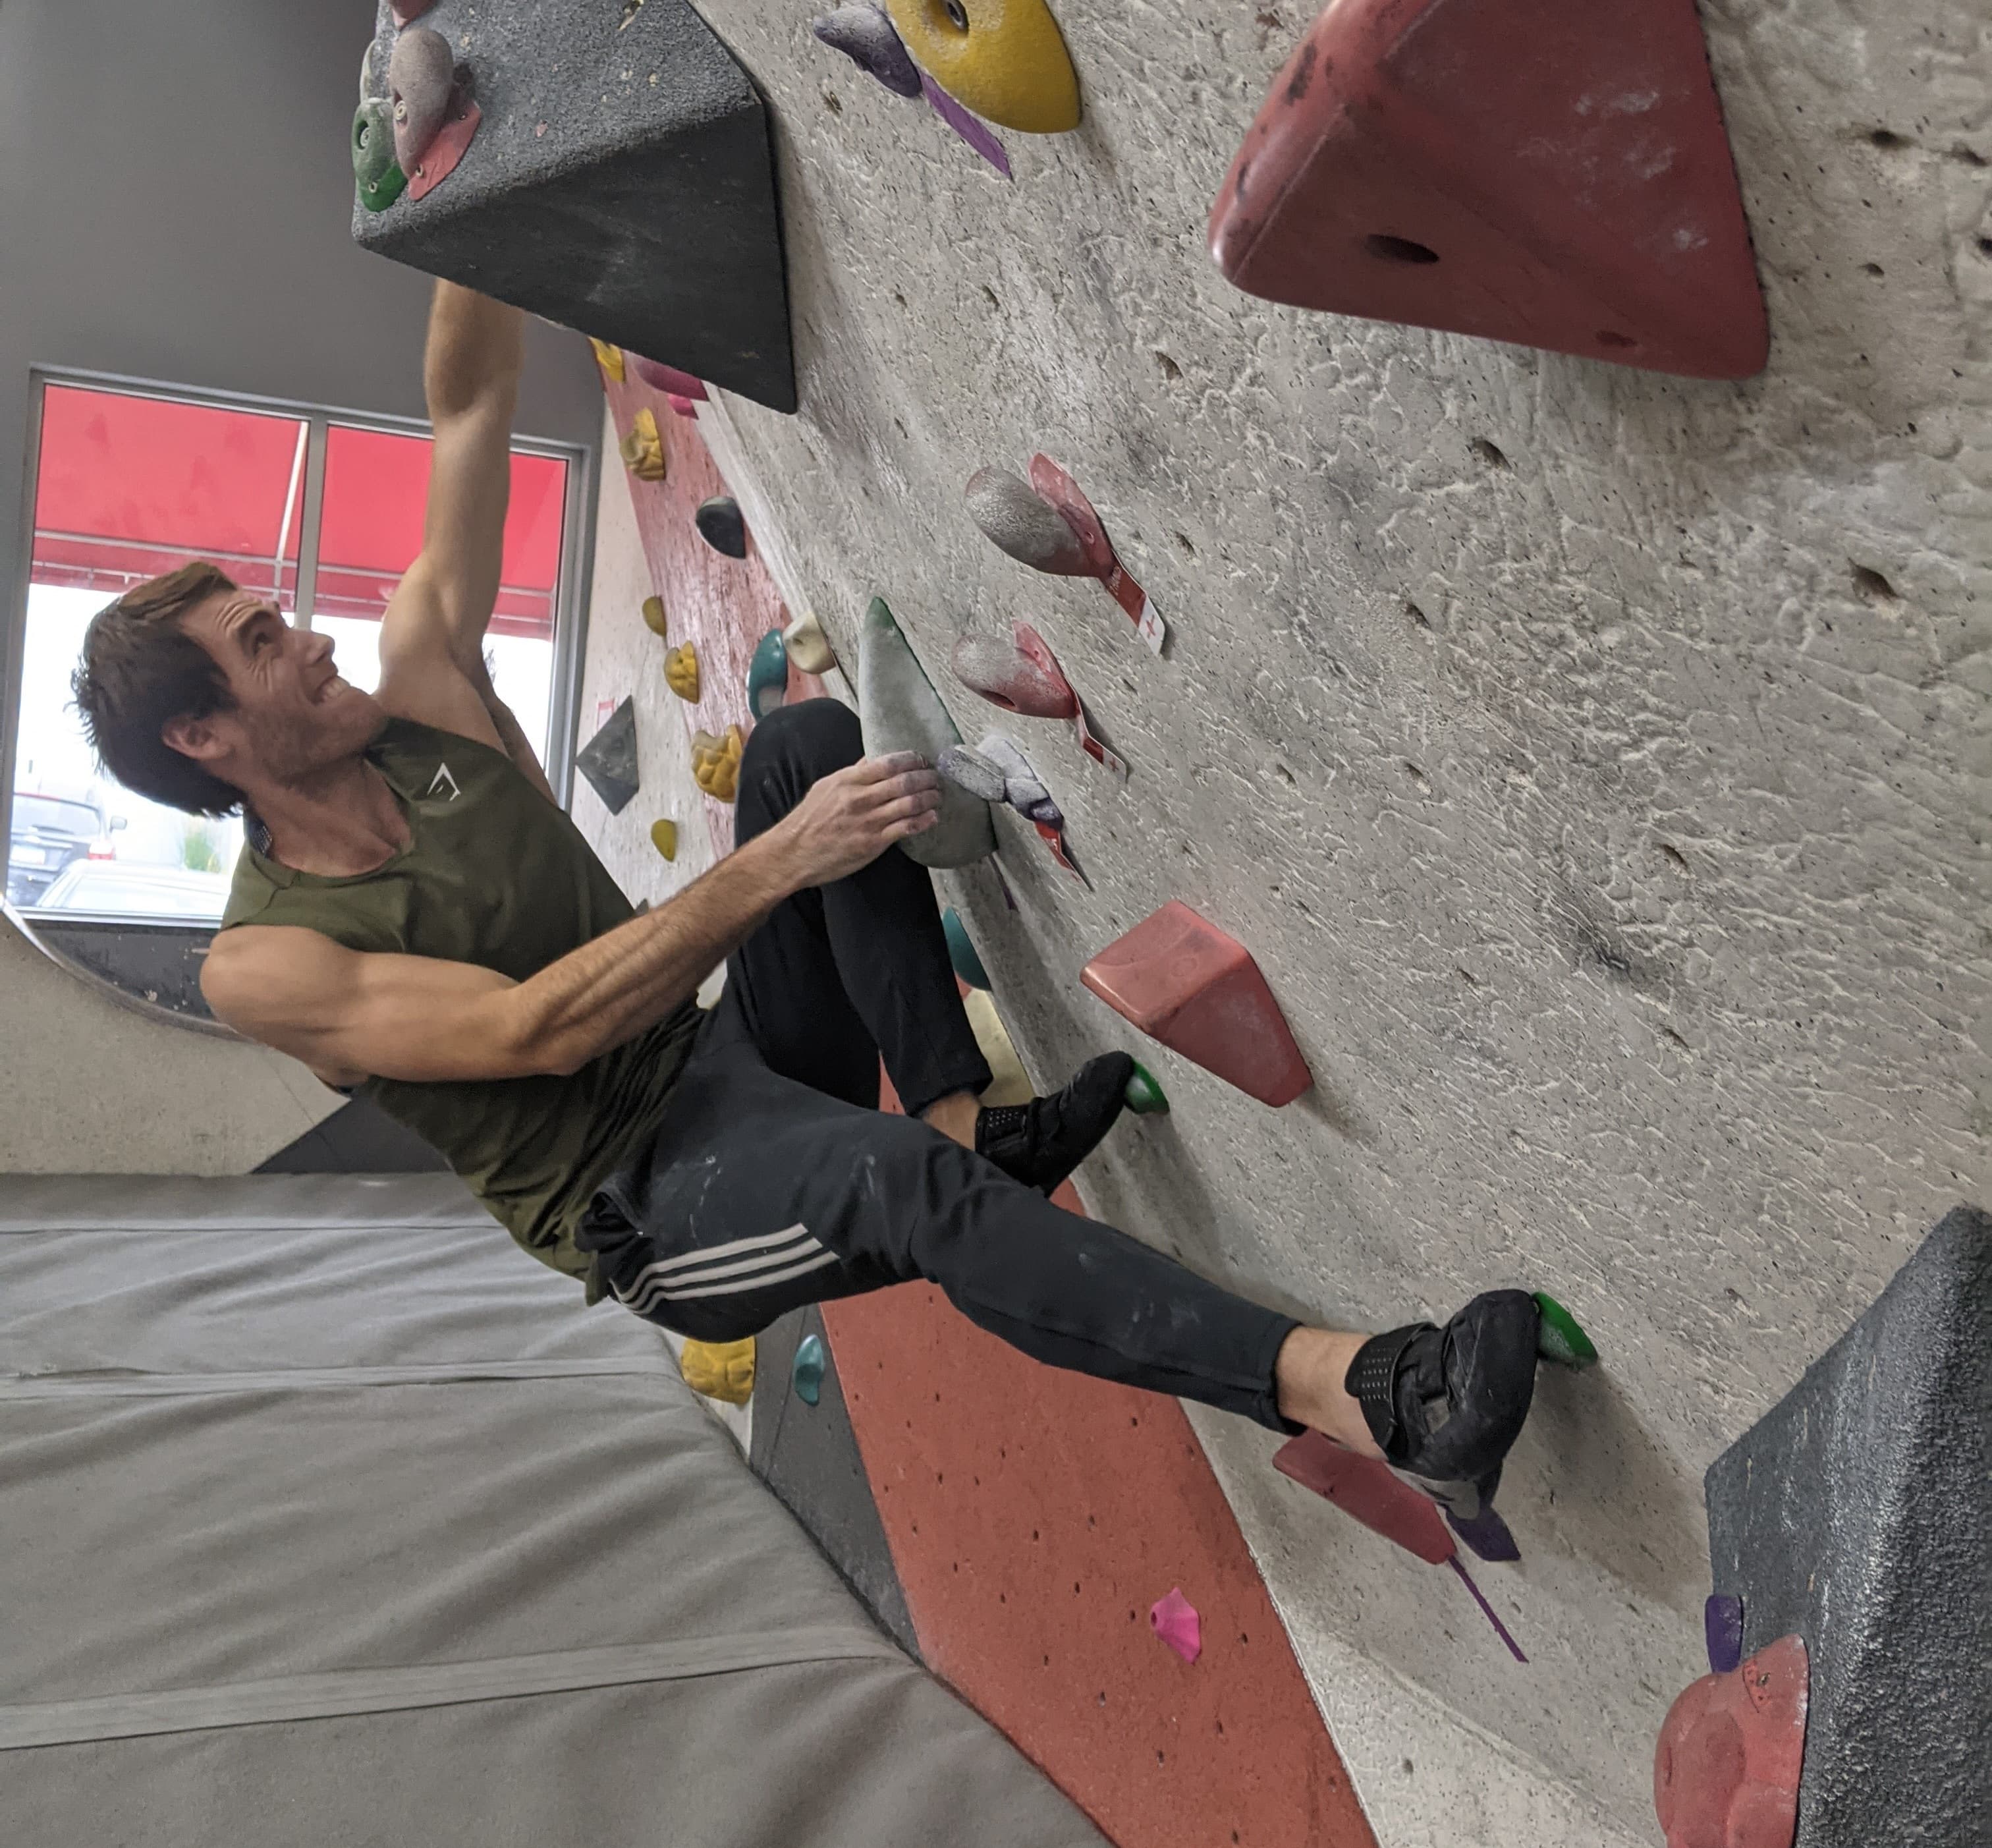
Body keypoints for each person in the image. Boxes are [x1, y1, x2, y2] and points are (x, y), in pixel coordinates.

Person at [69, 282, 1546, 1534]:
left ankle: (966, 1118)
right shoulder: (265, 959)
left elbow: (465, 406)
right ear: (202, 737)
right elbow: (534, 1027)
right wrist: (778, 866)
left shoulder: (425, 691)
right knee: (892, 1172)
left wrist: (450, 115)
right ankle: (1375, 1395)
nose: (312, 636)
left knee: (801, 753)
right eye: (264, 642)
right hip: (651, 1195)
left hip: (729, 1051)